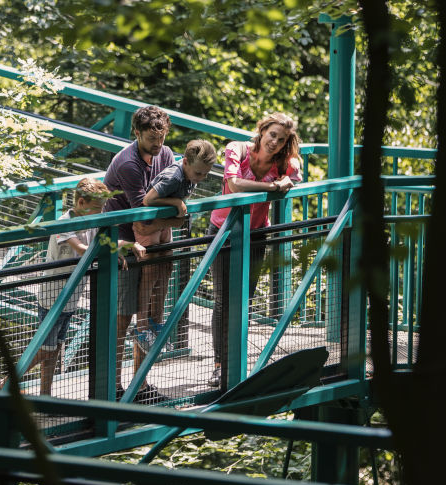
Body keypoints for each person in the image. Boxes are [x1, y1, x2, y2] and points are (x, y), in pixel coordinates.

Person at [208, 112, 302, 390]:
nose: (274, 142)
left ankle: (237, 362)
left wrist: (292, 167)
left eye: (281, 139)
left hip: (256, 233)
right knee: (223, 299)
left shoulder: (282, 162)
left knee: (244, 299)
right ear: (262, 131)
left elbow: (295, 172)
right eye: (272, 134)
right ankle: (219, 365)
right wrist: (273, 186)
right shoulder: (238, 149)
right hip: (223, 231)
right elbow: (234, 184)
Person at [102, 105, 185, 404]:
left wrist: (171, 210)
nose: (157, 143)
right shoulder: (127, 164)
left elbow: (170, 190)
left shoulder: (166, 153)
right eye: (151, 138)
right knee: (122, 315)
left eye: (161, 137)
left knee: (150, 313)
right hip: (122, 239)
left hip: (153, 240)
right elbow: (142, 215)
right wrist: (175, 216)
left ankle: (141, 382)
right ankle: (112, 385)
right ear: (137, 133)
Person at [27, 178, 113, 396]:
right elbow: (84, 250)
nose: (101, 213)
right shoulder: (64, 223)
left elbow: (103, 244)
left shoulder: (92, 222)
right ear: (81, 203)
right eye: (96, 208)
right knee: (46, 350)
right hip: (53, 298)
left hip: (71, 297)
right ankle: (6, 382)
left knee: (54, 349)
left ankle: (45, 396)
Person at [133, 138, 218, 354]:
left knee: (166, 266)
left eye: (206, 174)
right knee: (151, 269)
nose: (201, 178)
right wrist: (176, 203)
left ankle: (156, 321)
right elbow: (148, 200)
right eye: (199, 173)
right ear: (186, 162)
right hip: (148, 223)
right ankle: (142, 325)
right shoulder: (175, 176)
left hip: (163, 225)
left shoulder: (190, 177)